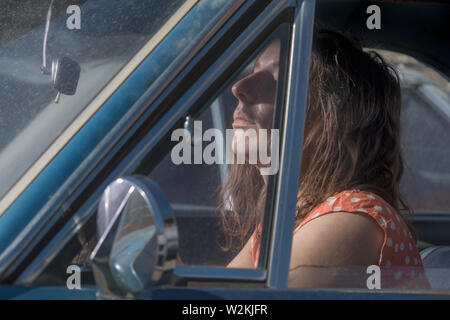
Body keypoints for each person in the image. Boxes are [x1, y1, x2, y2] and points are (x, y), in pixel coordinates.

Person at [218, 29, 430, 289]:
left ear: (331, 119)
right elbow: (212, 298)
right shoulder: (284, 220)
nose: (239, 88)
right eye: (254, 70)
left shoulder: (352, 218)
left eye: (279, 78)